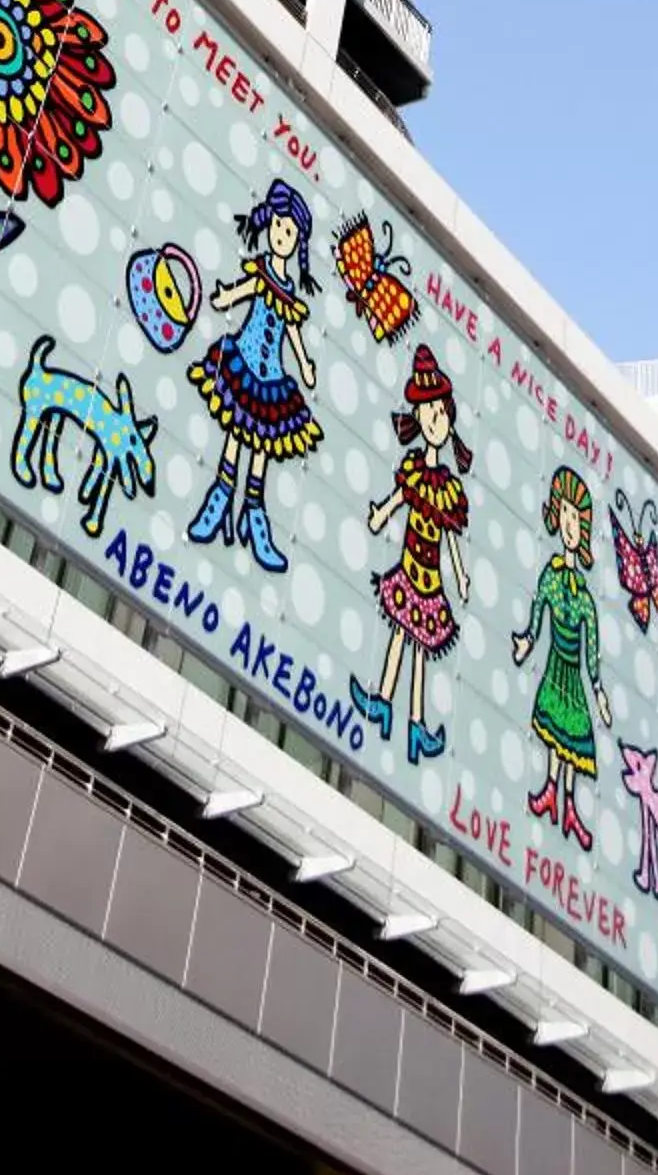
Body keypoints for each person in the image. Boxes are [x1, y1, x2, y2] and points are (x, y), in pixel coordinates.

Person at [185, 178, 322, 572]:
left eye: (290, 232)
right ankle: (221, 497)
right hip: (243, 362)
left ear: (298, 241)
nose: (282, 236)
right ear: (270, 226)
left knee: (261, 447)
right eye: (279, 227)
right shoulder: (262, 272)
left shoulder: (289, 287)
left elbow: (291, 328)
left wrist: (306, 363)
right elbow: (246, 289)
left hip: (272, 377)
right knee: (235, 436)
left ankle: (254, 515)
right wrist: (227, 297)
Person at [349, 344, 472, 766]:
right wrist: (382, 513)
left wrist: (461, 574)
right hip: (408, 568)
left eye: (441, 414)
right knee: (401, 635)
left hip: (431, 580)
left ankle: (416, 723)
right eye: (429, 414)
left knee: (419, 645)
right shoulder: (415, 468)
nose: (436, 420)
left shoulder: (449, 488)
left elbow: (452, 535)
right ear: (417, 419)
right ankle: (382, 700)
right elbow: (401, 495)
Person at [512, 465, 612, 851]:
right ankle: (550, 792)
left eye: (577, 518)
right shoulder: (551, 577)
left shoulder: (586, 595)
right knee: (555, 734)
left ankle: (568, 804)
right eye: (566, 515)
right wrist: (525, 642)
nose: (570, 524)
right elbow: (537, 614)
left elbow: (592, 652)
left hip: (573, 673)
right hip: (554, 665)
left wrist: (600, 694)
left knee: (571, 736)